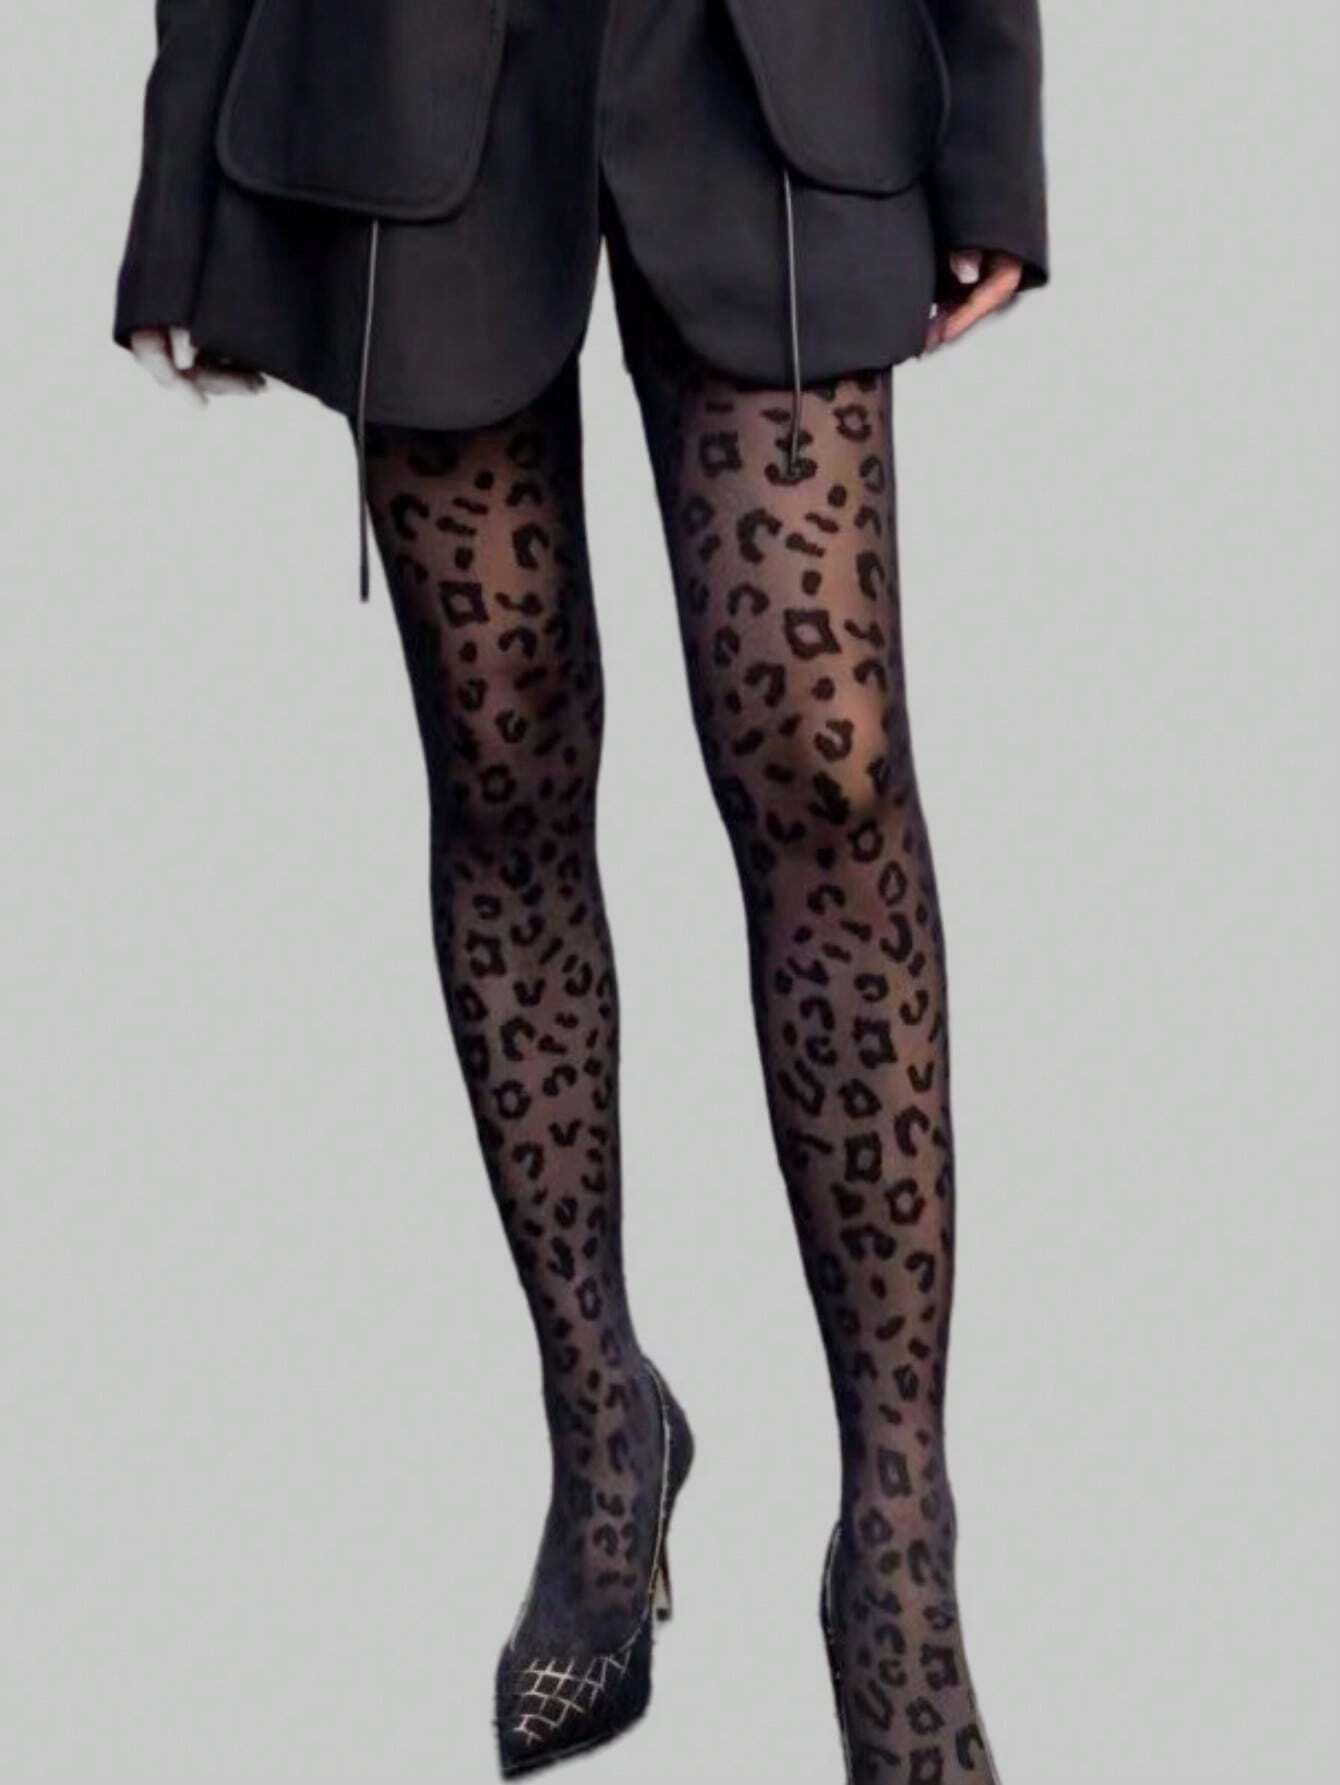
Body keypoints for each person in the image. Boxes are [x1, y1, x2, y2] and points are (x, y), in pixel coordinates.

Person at [113, 2, 1047, 1778]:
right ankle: (605, 1427)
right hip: (403, 71)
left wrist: (990, 112)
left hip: (777, 54)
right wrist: (183, 188)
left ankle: (899, 1540)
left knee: (828, 762)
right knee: (504, 759)